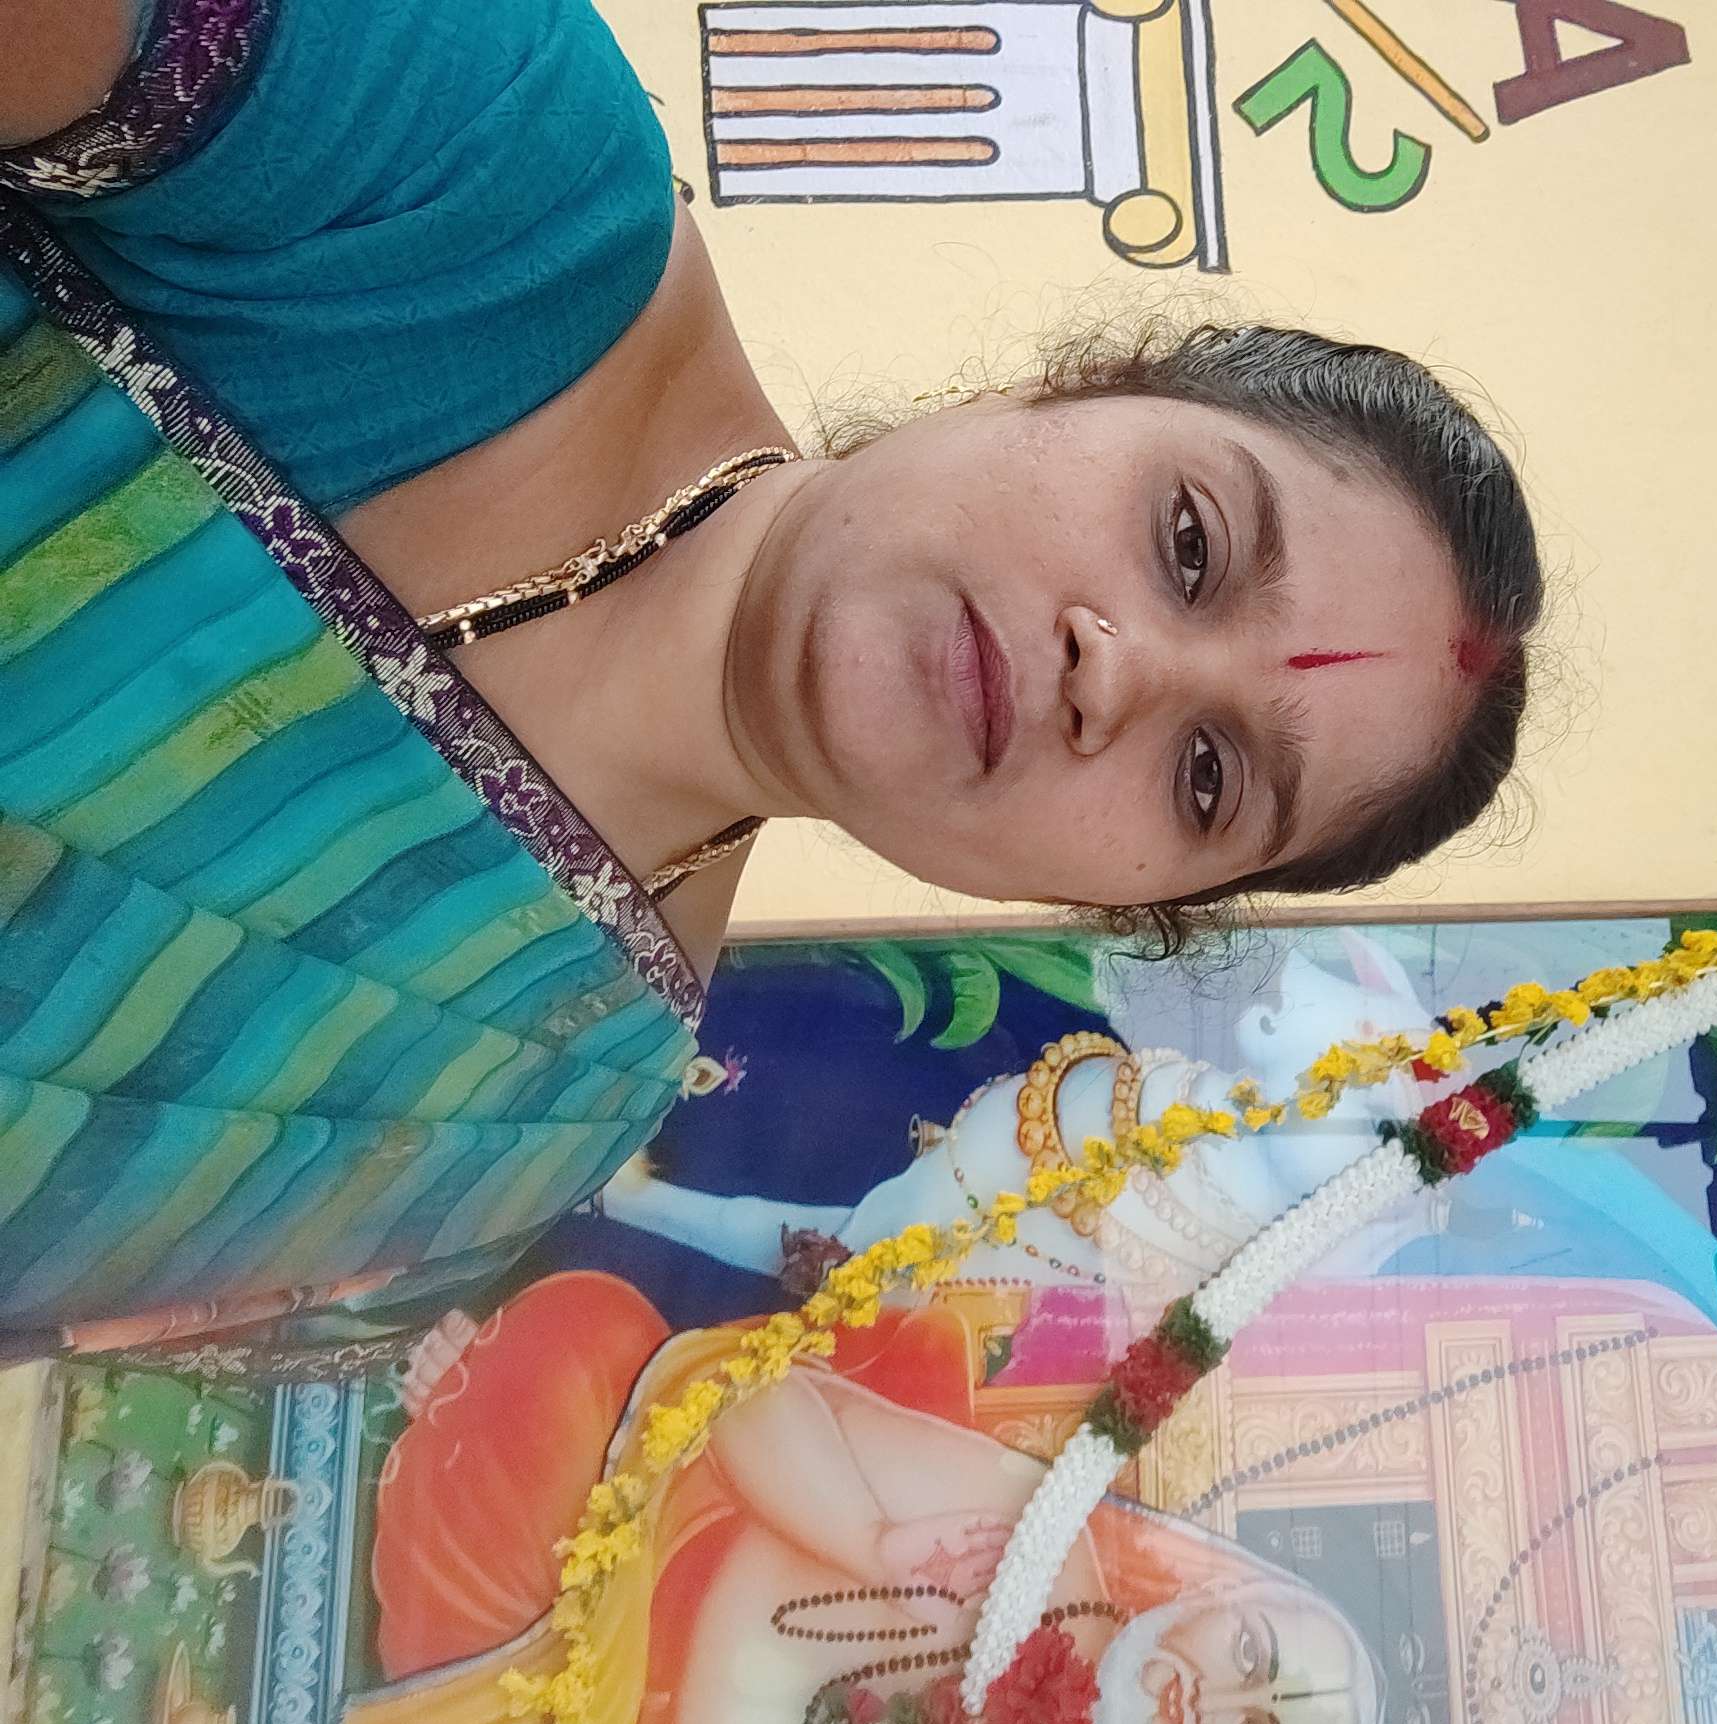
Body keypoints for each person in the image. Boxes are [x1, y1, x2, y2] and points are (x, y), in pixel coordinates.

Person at [0, 0, 1543, 1367]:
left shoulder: (518, 1116)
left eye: (1208, 777)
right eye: (1189, 542)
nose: (1117, 669)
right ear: (1058, 389)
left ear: (1119, 901)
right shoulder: (490, 162)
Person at [349, 1271, 1385, 1724]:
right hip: (612, 1590)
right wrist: (873, 1542)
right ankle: (458, 1433)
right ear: (1215, 1600)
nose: (1213, 1705)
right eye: (1250, 1657)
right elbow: (747, 1401)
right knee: (563, 1372)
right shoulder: (1035, 1561)